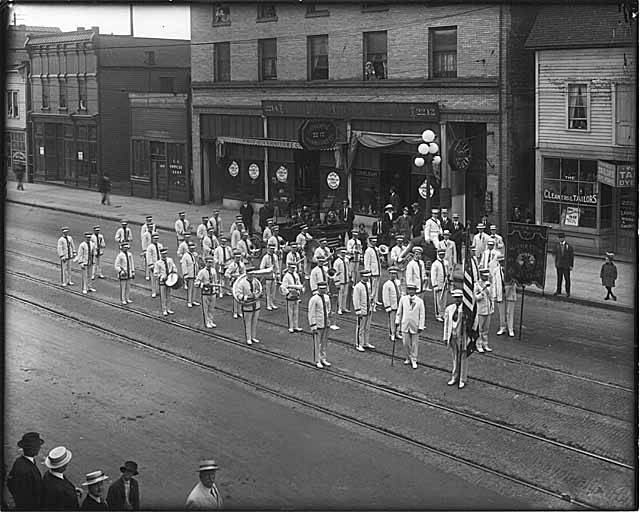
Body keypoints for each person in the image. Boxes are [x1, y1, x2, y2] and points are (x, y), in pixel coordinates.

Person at [7, 432, 45, 510]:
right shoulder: (27, 470)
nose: (39, 448)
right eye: (38, 446)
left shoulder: (18, 461)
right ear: (33, 449)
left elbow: (10, 483)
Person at [395, 283, 425, 369]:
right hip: (405, 324)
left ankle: (414, 359)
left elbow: (422, 315)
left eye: (413, 290)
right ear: (408, 290)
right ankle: (408, 357)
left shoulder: (420, 301)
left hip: (415, 325)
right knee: (405, 343)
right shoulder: (403, 299)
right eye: (410, 289)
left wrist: (421, 326)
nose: (411, 291)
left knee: (415, 343)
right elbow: (399, 311)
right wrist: (397, 321)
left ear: (415, 291)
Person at [443, 289, 468, 388]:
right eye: (455, 297)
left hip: (462, 337)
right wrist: (445, 337)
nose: (457, 300)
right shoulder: (449, 308)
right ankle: (454, 377)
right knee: (454, 357)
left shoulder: (466, 310)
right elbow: (446, 324)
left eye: (459, 298)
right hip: (452, 336)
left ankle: (462, 379)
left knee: (463, 358)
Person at [233, 267, 263, 345]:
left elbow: (258, 290)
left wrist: (259, 294)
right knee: (248, 322)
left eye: (252, 274)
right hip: (247, 306)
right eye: (250, 274)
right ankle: (248, 338)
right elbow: (238, 294)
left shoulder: (256, 281)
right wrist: (247, 297)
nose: (251, 275)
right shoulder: (241, 283)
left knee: (255, 322)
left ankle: (253, 337)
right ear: (246, 274)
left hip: (256, 305)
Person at [308, 281, 332, 368]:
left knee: (324, 343)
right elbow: (311, 313)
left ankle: (323, 358)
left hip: (325, 323)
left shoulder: (327, 298)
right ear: (318, 289)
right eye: (321, 289)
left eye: (324, 289)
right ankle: (317, 360)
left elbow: (328, 309)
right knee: (317, 343)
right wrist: (313, 325)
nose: (323, 290)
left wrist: (328, 318)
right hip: (318, 324)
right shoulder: (314, 299)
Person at [353, 270, 375, 352]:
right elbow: (356, 299)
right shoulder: (358, 287)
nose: (367, 278)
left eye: (368, 276)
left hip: (368, 309)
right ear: (362, 277)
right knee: (360, 328)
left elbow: (369, 296)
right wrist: (358, 310)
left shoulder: (368, 285)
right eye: (366, 276)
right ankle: (359, 344)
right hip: (362, 310)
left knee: (367, 328)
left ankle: (366, 342)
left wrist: (371, 302)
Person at [195, 255, 219, 328]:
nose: (210, 264)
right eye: (208, 262)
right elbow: (196, 283)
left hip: (213, 292)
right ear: (205, 263)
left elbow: (215, 281)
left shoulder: (213, 271)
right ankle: (207, 322)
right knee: (206, 309)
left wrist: (217, 290)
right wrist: (203, 284)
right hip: (205, 293)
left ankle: (211, 321)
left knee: (212, 308)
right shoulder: (202, 272)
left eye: (211, 262)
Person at [474, 268, 494, 352]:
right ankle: (478, 344)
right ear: (481, 275)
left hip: (488, 310)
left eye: (487, 276)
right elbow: (475, 297)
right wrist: (481, 294)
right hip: (480, 310)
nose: (486, 278)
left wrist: (492, 308)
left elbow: (491, 297)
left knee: (486, 329)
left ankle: (485, 344)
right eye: (484, 276)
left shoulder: (489, 284)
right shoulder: (477, 285)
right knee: (480, 329)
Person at [281, 261, 303, 332]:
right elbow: (284, 287)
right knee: (290, 312)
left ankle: (296, 326)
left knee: (296, 311)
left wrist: (299, 290)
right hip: (290, 295)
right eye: (291, 268)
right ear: (288, 267)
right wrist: (288, 294)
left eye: (294, 268)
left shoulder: (296, 275)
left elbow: (299, 283)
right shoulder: (286, 276)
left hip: (296, 294)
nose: (293, 269)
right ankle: (291, 326)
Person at [382, 266, 403, 342]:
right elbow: (385, 296)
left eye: (394, 274)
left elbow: (400, 292)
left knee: (398, 320)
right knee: (392, 321)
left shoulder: (397, 283)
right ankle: (392, 334)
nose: (393, 275)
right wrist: (387, 306)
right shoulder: (387, 284)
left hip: (398, 305)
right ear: (389, 274)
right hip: (392, 306)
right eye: (392, 274)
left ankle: (397, 332)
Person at [155, 247, 177, 316]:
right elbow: (156, 273)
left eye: (165, 254)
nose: (164, 255)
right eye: (163, 254)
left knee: (169, 295)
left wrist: (174, 272)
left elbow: (174, 267)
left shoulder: (170, 260)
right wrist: (161, 277)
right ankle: (164, 309)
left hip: (169, 280)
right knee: (163, 296)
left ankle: (169, 308)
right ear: (160, 254)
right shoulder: (158, 263)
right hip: (163, 281)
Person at [226, 249, 246, 318]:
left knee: (240, 297)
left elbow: (244, 273)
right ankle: (235, 312)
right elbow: (227, 274)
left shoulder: (242, 264)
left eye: (239, 257)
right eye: (237, 257)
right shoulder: (232, 265)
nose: (238, 259)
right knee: (235, 298)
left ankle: (240, 311)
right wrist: (232, 276)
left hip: (240, 281)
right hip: (234, 282)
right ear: (234, 257)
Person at [431, 248, 450, 322]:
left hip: (445, 284)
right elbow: (433, 275)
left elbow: (448, 272)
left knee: (444, 300)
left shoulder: (446, 262)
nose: (442, 256)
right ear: (438, 254)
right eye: (440, 254)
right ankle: (438, 314)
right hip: (438, 285)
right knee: (438, 300)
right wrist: (435, 285)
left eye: (443, 254)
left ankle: (442, 313)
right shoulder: (435, 264)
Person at [553, 232, 574, 297]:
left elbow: (571, 256)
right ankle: (558, 290)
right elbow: (555, 254)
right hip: (559, 265)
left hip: (566, 265)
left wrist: (571, 265)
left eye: (562, 238)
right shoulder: (556, 246)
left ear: (564, 238)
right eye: (559, 238)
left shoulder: (569, 246)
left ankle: (568, 292)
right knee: (559, 279)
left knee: (567, 279)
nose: (561, 239)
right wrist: (556, 263)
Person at [260, 242, 280, 310]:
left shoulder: (275, 256)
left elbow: (277, 266)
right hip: (268, 275)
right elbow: (261, 267)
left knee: (273, 291)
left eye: (273, 249)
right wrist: (267, 271)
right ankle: (268, 304)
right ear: (268, 249)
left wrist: (278, 274)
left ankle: (272, 303)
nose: (272, 250)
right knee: (268, 291)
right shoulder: (265, 257)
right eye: (271, 249)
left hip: (273, 275)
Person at [364, 236, 382, 308]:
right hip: (372, 272)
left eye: (375, 242)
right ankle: (371, 302)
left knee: (376, 286)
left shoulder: (376, 249)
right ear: (370, 242)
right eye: (373, 241)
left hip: (377, 270)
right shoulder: (368, 250)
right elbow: (367, 262)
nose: (375, 243)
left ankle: (376, 300)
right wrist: (368, 271)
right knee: (372, 288)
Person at [492, 254, 508, 336]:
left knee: (508, 312)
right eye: (500, 261)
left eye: (503, 261)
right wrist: (494, 295)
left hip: (508, 293)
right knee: (501, 312)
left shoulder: (509, 270)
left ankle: (509, 327)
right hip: (500, 293)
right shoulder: (495, 270)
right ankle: (502, 327)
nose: (502, 263)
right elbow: (494, 283)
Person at [182, 242, 201, 308]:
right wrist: (185, 274)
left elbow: (196, 263)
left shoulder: (194, 255)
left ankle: (193, 300)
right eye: (191, 248)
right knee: (190, 289)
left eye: (194, 248)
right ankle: (189, 301)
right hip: (189, 274)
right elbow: (184, 266)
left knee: (195, 288)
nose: (193, 249)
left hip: (195, 273)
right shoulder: (185, 256)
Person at [332, 247, 350, 314]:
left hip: (346, 279)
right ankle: (339, 308)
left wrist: (349, 276)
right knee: (340, 295)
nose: (343, 254)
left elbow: (348, 269)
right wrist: (337, 282)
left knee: (345, 294)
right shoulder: (337, 262)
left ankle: (343, 307)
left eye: (344, 253)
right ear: (340, 253)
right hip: (341, 280)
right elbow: (335, 273)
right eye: (342, 253)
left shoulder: (346, 260)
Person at [146, 233, 163, 298]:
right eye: (154, 238)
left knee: (160, 278)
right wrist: (150, 265)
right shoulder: (150, 247)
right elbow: (149, 256)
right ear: (152, 239)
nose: (156, 240)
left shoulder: (160, 245)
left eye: (157, 238)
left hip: (160, 264)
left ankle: (160, 291)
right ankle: (154, 291)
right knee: (153, 279)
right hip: (154, 264)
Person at [503, 269, 518, 337]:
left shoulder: (512, 272)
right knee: (503, 312)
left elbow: (514, 284)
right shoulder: (497, 270)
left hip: (510, 294)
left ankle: (510, 329)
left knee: (510, 312)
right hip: (502, 294)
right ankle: (502, 327)